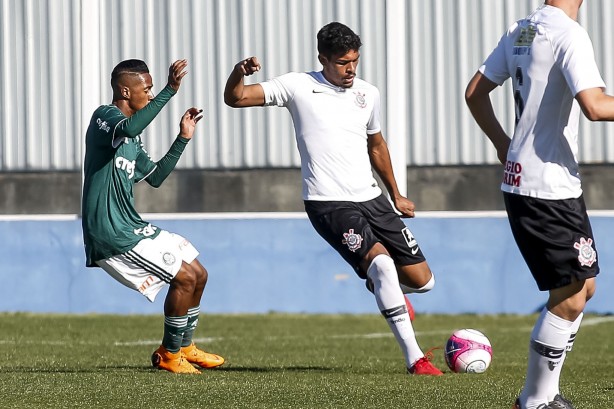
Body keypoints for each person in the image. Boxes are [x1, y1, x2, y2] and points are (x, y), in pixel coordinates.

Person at [224, 22, 442, 376]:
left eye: (355, 61)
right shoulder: (297, 86)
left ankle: (381, 286)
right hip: (328, 202)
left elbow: (377, 144)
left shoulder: (367, 93)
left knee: (423, 282)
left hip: (373, 199)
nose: (351, 69)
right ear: (322, 59)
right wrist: (238, 72)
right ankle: (416, 359)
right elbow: (235, 98)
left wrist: (395, 194)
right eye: (343, 63)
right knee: (384, 265)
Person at [465, 1, 610, 407]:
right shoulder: (568, 33)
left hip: (544, 181)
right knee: (569, 296)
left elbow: (474, 92)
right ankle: (534, 400)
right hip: (544, 187)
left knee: (585, 287)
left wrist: (501, 143)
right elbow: (595, 106)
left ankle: (547, 393)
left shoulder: (521, 30)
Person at [82, 59, 224, 374]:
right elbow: (131, 125)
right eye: (145, 89)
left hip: (131, 225)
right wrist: (170, 90)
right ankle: (169, 354)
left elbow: (156, 177)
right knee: (183, 278)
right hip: (110, 231)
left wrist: (183, 137)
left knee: (198, 273)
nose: (148, 95)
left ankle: (185, 346)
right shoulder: (105, 118)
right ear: (124, 90)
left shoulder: (132, 140)